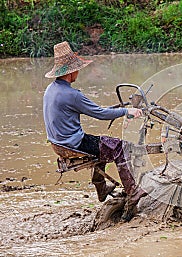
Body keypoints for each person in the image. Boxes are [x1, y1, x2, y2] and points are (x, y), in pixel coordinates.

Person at [43, 41, 147, 222]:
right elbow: (100, 113)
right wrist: (126, 111)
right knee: (119, 147)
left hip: (58, 144)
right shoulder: (72, 95)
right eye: (77, 69)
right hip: (74, 143)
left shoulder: (50, 90)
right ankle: (133, 191)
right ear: (70, 71)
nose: (78, 72)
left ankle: (101, 189)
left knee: (103, 146)